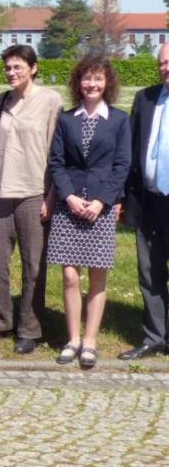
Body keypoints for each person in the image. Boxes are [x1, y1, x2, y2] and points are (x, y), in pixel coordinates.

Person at [47, 56, 130, 369]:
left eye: (98, 79)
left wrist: (101, 201)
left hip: (100, 207)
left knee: (97, 274)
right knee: (69, 275)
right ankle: (72, 339)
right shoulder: (67, 119)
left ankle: (91, 340)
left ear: (107, 83)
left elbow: (122, 164)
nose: (92, 84)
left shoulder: (120, 120)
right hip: (69, 206)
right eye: (86, 79)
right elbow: (57, 161)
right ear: (77, 83)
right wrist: (67, 195)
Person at [0, 45, 63, 354]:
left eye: (18, 67)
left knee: (33, 265)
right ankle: (0, 320)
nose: (12, 72)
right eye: (8, 68)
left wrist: (51, 195)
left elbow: (57, 151)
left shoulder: (50, 100)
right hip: (1, 193)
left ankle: (30, 329)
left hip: (34, 192)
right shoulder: (1, 101)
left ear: (34, 68)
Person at [121, 42, 169, 360]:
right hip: (149, 200)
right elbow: (131, 151)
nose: (165, 68)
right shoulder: (145, 98)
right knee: (149, 272)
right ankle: (156, 336)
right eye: (162, 62)